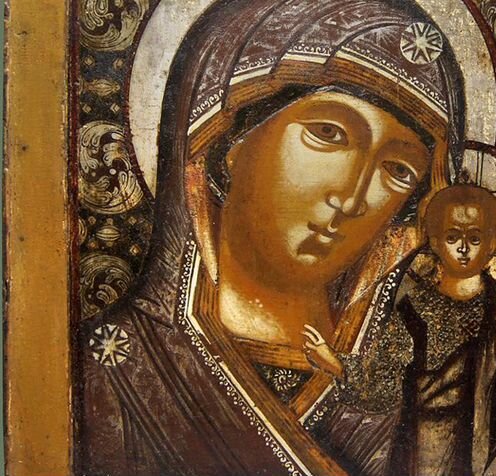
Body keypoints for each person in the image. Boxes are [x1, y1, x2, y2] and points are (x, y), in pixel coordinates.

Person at [77, 1, 470, 474]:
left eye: (398, 170)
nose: (351, 197)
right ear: (228, 142)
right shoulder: (112, 370)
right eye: (328, 133)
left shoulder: (421, 391)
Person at [304, 184, 496, 475]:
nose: (463, 248)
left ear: (492, 244)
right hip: (418, 447)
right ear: (435, 242)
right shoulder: (414, 306)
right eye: (452, 237)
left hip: (476, 450)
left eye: (474, 238)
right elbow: (385, 382)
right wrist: (336, 365)